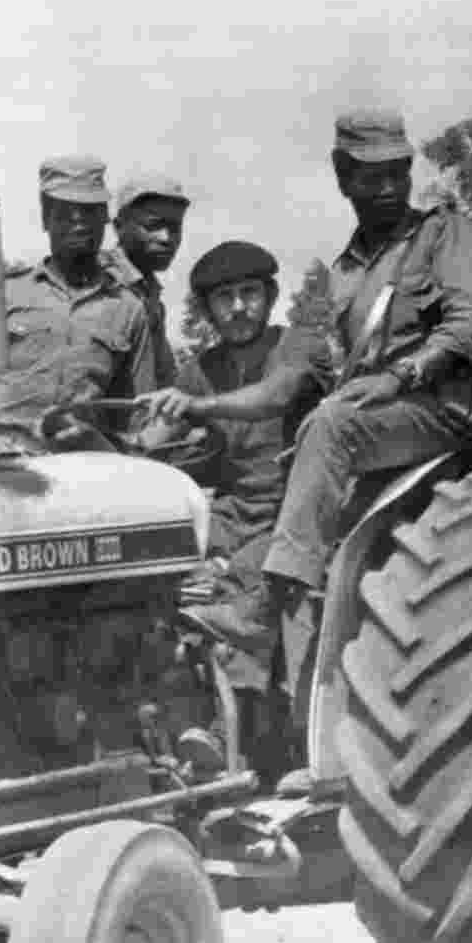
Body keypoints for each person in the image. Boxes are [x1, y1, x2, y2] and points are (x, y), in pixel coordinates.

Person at [180, 108, 472, 676]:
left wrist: (402, 375)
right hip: (375, 418)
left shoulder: (445, 234)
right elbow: (303, 364)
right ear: (343, 178)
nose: (387, 188)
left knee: (330, 426)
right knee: (310, 439)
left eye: (397, 174)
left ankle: (262, 607)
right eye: (371, 176)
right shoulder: (338, 274)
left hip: (442, 410)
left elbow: (471, 326)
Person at [138, 241, 334, 773]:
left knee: (250, 584)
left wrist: (197, 407)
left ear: (270, 296)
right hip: (230, 514)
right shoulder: (201, 369)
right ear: (206, 310)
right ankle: (177, 723)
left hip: (296, 513)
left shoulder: (299, 346)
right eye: (224, 298)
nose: (239, 307)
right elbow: (154, 440)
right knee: (159, 579)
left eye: (250, 293)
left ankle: (236, 739)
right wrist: (135, 441)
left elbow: (273, 396)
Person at [0, 155, 155, 465]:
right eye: (65, 213)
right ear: (46, 218)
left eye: (88, 212)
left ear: (105, 220)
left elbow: (134, 415)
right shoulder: (2, 295)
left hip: (81, 466)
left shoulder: (129, 310)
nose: (78, 223)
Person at [102, 173, 191, 390]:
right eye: (153, 226)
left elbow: (163, 377)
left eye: (174, 227)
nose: (166, 238)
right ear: (119, 227)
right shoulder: (98, 283)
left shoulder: (150, 295)